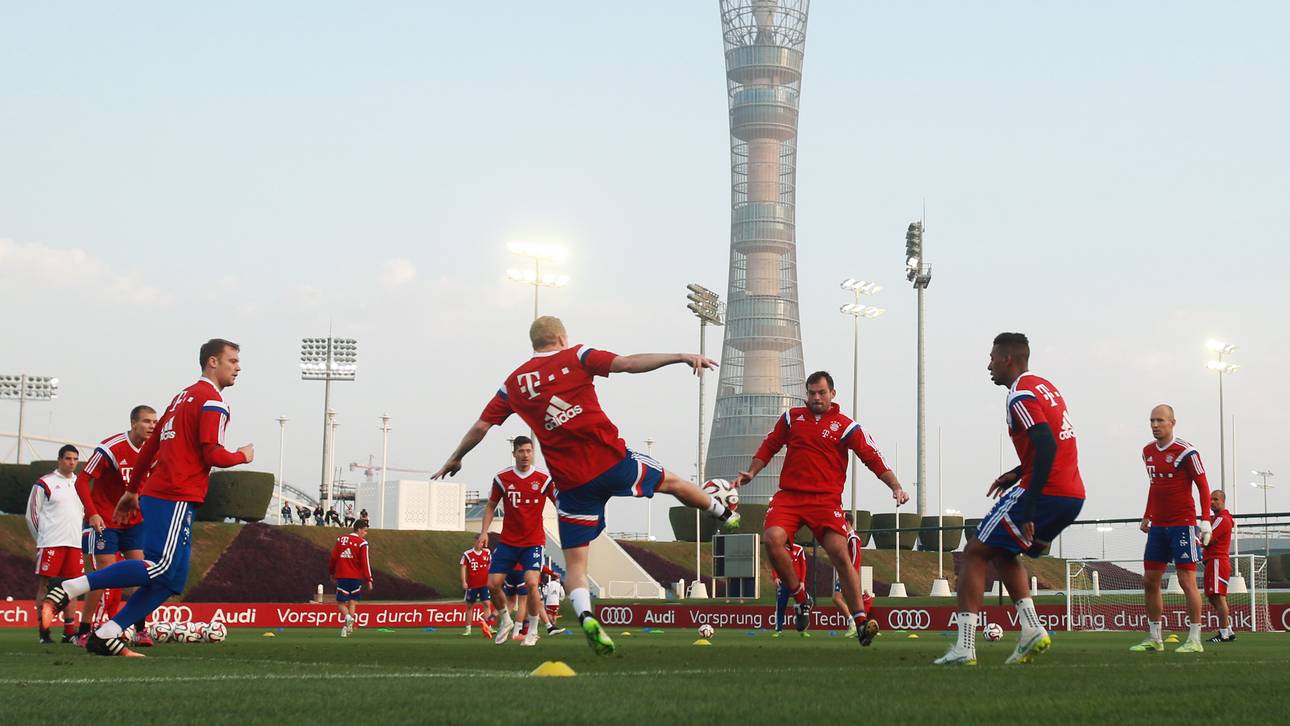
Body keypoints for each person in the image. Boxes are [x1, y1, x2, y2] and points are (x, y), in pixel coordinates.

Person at [432, 315, 740, 656]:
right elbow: (628, 364)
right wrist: (680, 356)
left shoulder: (514, 385)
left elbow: (480, 426)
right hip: (612, 462)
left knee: (577, 565)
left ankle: (586, 615)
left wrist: (456, 457)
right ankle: (723, 511)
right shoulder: (577, 356)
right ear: (562, 338)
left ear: (534, 343)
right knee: (674, 483)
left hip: (572, 485)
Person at [41, 338, 254, 657]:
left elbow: (151, 448)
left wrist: (131, 490)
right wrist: (242, 456)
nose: (238, 366)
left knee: (171, 580)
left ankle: (108, 633)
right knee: (159, 566)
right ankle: (71, 587)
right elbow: (213, 453)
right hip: (176, 493)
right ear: (212, 362)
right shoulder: (212, 401)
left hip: (161, 493)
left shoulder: (180, 398)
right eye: (232, 360)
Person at [936, 333, 1085, 666]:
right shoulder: (1046, 386)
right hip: (1071, 494)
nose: (988, 364)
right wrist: (1017, 472)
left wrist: (1029, 502)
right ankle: (1032, 629)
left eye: (991, 358)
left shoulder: (1020, 394)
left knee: (974, 551)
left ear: (1007, 359)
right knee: (1002, 551)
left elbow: (1046, 445)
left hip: (1046, 490)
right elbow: (1054, 444)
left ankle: (965, 647)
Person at [735, 371, 905, 646]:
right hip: (790, 496)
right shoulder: (792, 418)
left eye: (821, 393)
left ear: (832, 394)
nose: (816, 398)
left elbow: (872, 456)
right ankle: (801, 598)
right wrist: (752, 472)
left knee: (840, 554)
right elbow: (769, 445)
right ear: (807, 394)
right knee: (772, 540)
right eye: (812, 393)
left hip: (826, 501)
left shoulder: (846, 426)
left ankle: (861, 622)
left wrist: (895, 486)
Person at [1129, 404, 1211, 654]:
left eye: (1160, 420)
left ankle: (1195, 639)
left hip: (1182, 525)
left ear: (1172, 422)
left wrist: (1205, 519)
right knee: (1150, 580)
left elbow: (1203, 486)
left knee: (1187, 581)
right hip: (1158, 527)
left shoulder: (1187, 452)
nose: (1155, 425)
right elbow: (1155, 485)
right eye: (1152, 420)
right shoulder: (1147, 452)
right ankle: (1155, 637)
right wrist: (1147, 515)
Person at [73, 405, 158, 647]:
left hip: (134, 522)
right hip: (106, 521)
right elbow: (82, 481)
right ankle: (84, 631)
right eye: (147, 421)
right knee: (104, 576)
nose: (152, 426)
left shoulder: (155, 451)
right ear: (133, 424)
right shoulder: (110, 448)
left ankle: (140, 630)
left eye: (155, 421)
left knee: (142, 574)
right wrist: (92, 514)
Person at [478, 436, 554, 646]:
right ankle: (505, 620)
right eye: (521, 451)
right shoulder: (503, 478)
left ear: (533, 453)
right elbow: (491, 506)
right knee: (492, 584)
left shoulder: (544, 478)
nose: (525, 455)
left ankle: (534, 631)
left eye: (529, 451)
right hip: (508, 542)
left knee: (531, 583)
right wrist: (484, 532)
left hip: (533, 542)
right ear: (514, 454)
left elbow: (561, 504)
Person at [27, 445, 84, 644]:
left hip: (74, 543)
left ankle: (69, 632)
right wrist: (41, 539)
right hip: (51, 543)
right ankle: (44, 631)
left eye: (75, 459)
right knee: (45, 585)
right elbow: (32, 514)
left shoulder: (81, 483)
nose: (72, 462)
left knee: (74, 586)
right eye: (68, 458)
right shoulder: (45, 483)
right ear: (59, 459)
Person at [831, 514, 874, 639]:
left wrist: (851, 573)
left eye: (842, 522)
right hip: (846, 573)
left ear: (848, 522)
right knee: (850, 602)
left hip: (848, 574)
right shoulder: (846, 537)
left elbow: (855, 557)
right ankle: (860, 626)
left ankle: (853, 624)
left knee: (836, 598)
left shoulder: (853, 538)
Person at [329, 519, 373, 637]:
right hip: (355, 577)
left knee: (341, 603)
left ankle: (348, 620)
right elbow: (365, 562)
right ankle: (348, 628)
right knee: (353, 602)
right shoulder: (362, 543)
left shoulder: (341, 540)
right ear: (358, 529)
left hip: (342, 576)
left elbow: (333, 558)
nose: (365, 533)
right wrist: (369, 579)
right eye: (364, 531)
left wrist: (332, 572)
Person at [1205, 490, 1235, 643]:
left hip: (1218, 560)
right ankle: (1228, 630)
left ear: (1223, 501)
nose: (1212, 502)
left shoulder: (1222, 519)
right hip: (1212, 561)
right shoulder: (1216, 518)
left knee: (1218, 596)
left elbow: (1206, 538)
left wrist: (1201, 536)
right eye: (1210, 499)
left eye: (1215, 499)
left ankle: (1224, 633)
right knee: (1212, 597)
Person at [770, 541, 808, 638]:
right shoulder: (779, 549)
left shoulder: (799, 549)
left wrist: (802, 581)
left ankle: (803, 630)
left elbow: (803, 565)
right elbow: (775, 564)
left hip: (796, 583)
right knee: (781, 605)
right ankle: (779, 630)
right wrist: (775, 577)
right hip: (784, 581)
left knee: (802, 607)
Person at [459, 540, 493, 636]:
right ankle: (468, 628)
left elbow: (490, 565)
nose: (480, 545)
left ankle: (489, 627)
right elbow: (463, 568)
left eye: (482, 543)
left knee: (487, 604)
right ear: (475, 543)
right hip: (472, 584)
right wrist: (464, 581)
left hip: (484, 583)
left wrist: (491, 577)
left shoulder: (487, 552)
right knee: (470, 606)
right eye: (479, 543)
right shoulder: (467, 554)